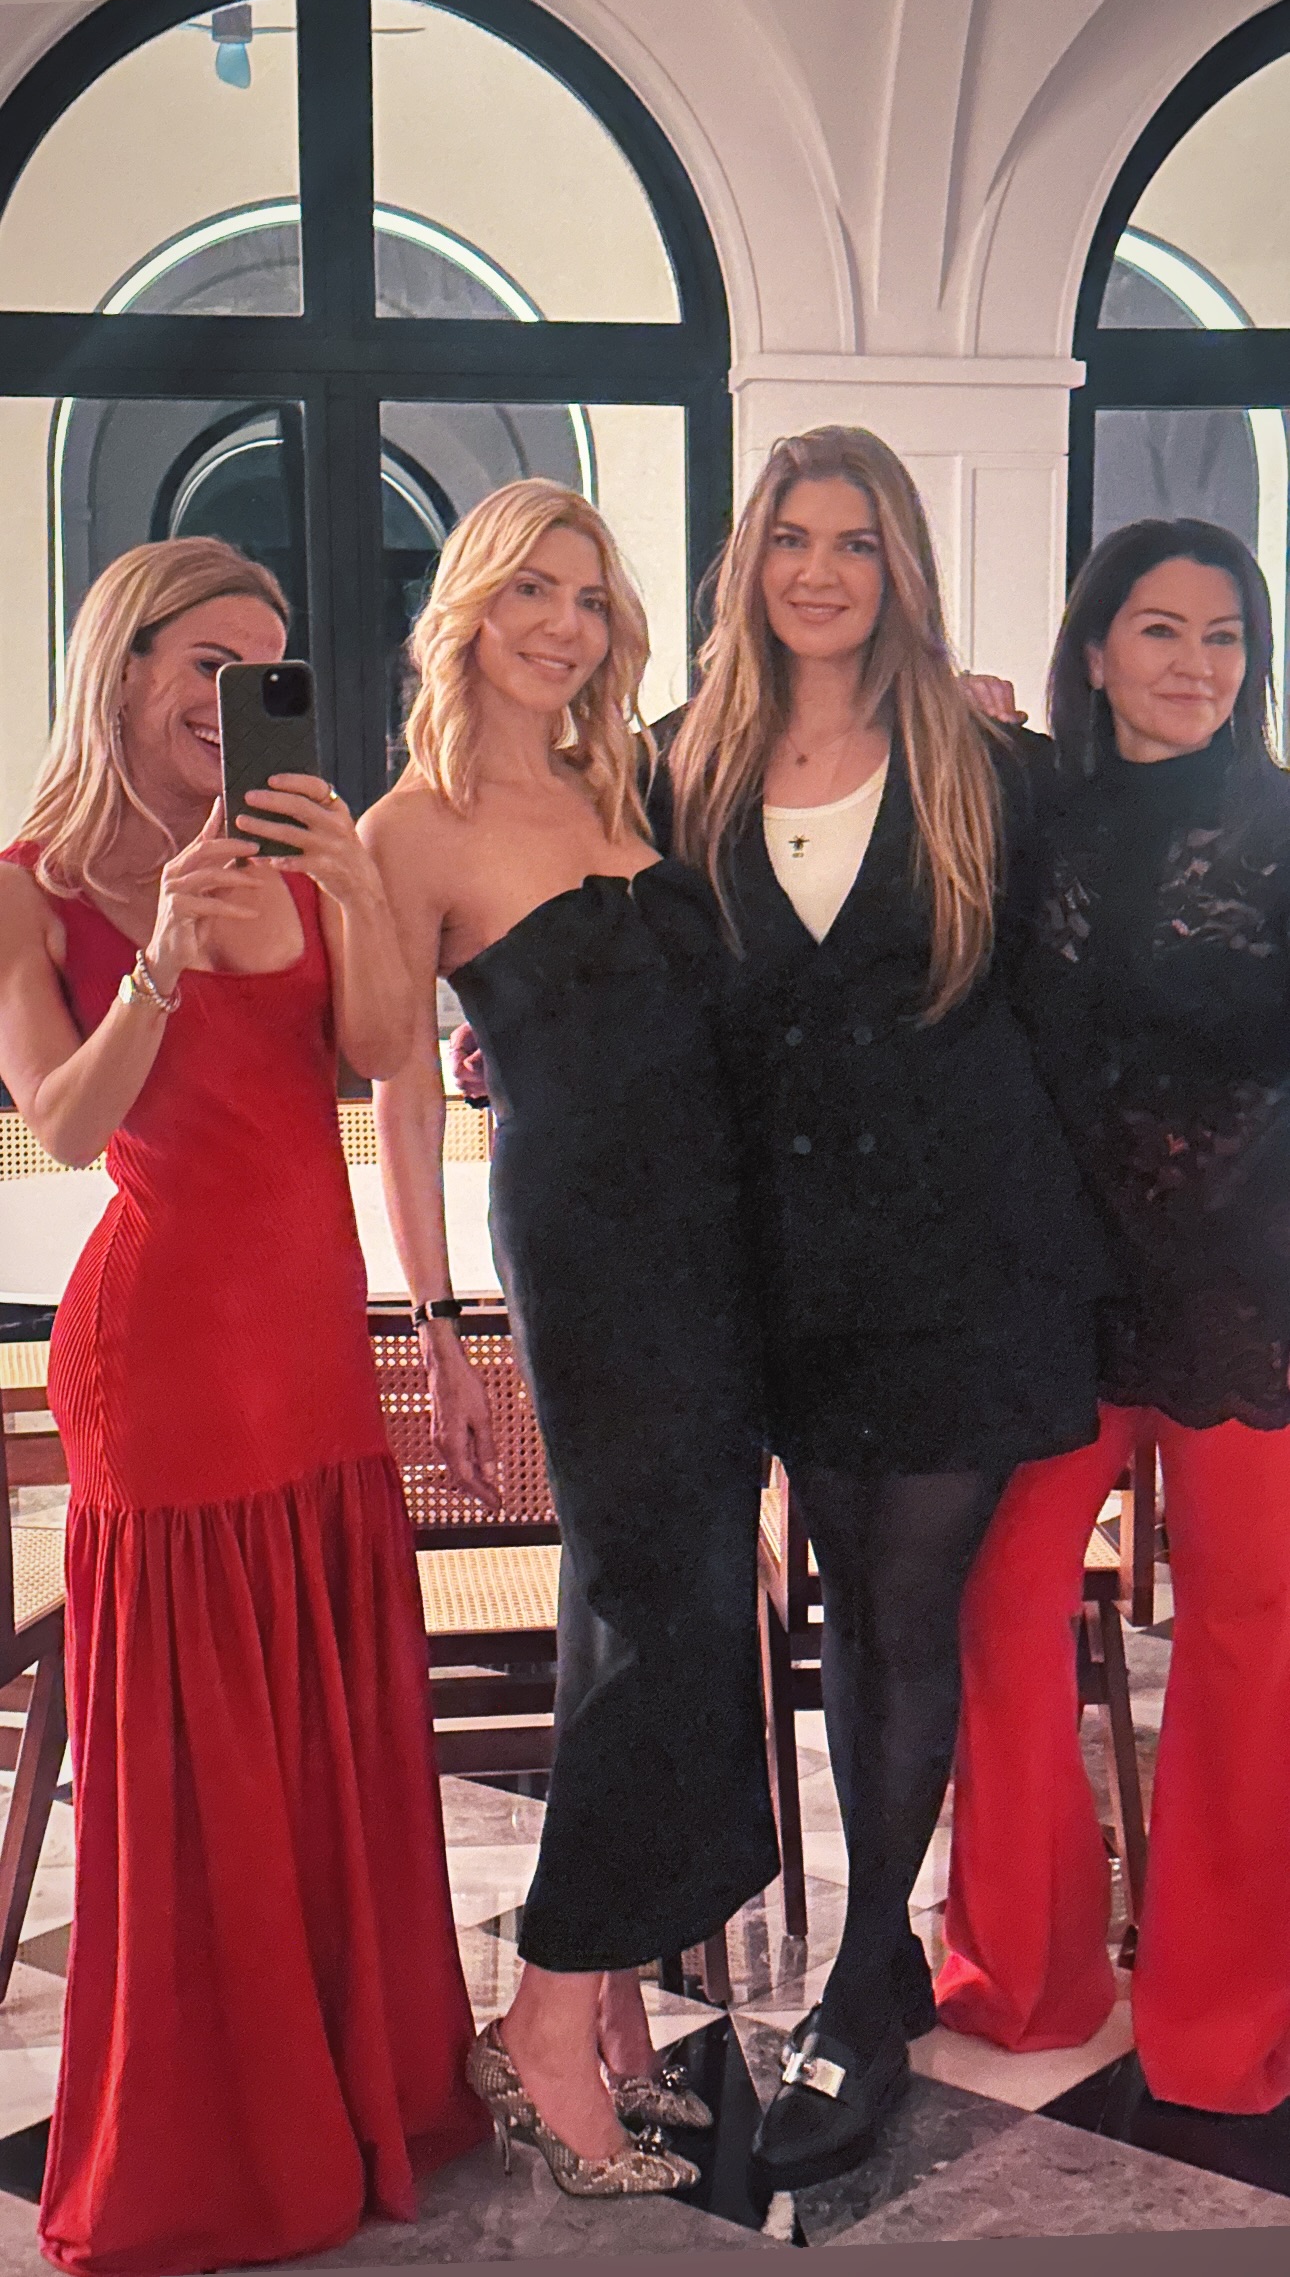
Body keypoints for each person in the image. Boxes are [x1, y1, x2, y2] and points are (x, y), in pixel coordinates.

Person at [0, 538, 487, 2277]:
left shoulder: (299, 846)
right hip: (165, 1355)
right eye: (208, 663)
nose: (236, 699)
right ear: (125, 666)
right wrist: (155, 961)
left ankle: (365, 2093)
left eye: (266, 669)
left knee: (328, 1720)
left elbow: (382, 1054)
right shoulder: (31, 881)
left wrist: (352, 892)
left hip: (310, 1340)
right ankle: (221, 2138)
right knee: (196, 1750)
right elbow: (64, 1124)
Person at [658, 425, 1109, 2190]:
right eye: (792, 537)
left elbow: (1091, 996)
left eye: (855, 540)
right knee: (847, 1597)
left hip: (964, 1256)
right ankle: (877, 1951)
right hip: (773, 1267)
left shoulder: (996, 766)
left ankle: (861, 1975)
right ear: (749, 562)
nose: (821, 570)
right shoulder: (678, 766)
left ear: (900, 566)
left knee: (897, 1606)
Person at [359, 479, 779, 2200]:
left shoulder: (632, 788)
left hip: (716, 1244)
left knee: (651, 1611)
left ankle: (609, 1999)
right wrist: (440, 1326)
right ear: (469, 604)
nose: (563, 623)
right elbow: (403, 1097)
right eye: (532, 588)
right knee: (663, 1610)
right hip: (587, 1249)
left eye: (591, 598)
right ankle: (543, 2010)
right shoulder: (410, 826)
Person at [937, 518, 1290, 2118]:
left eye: (1224, 635)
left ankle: (1220, 2016)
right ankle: (1022, 1979)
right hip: (1054, 1293)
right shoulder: (1023, 811)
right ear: (1092, 648)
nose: (1193, 664)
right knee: (1000, 1608)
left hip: (1246, 1298)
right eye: (1159, 629)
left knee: (1243, 1641)